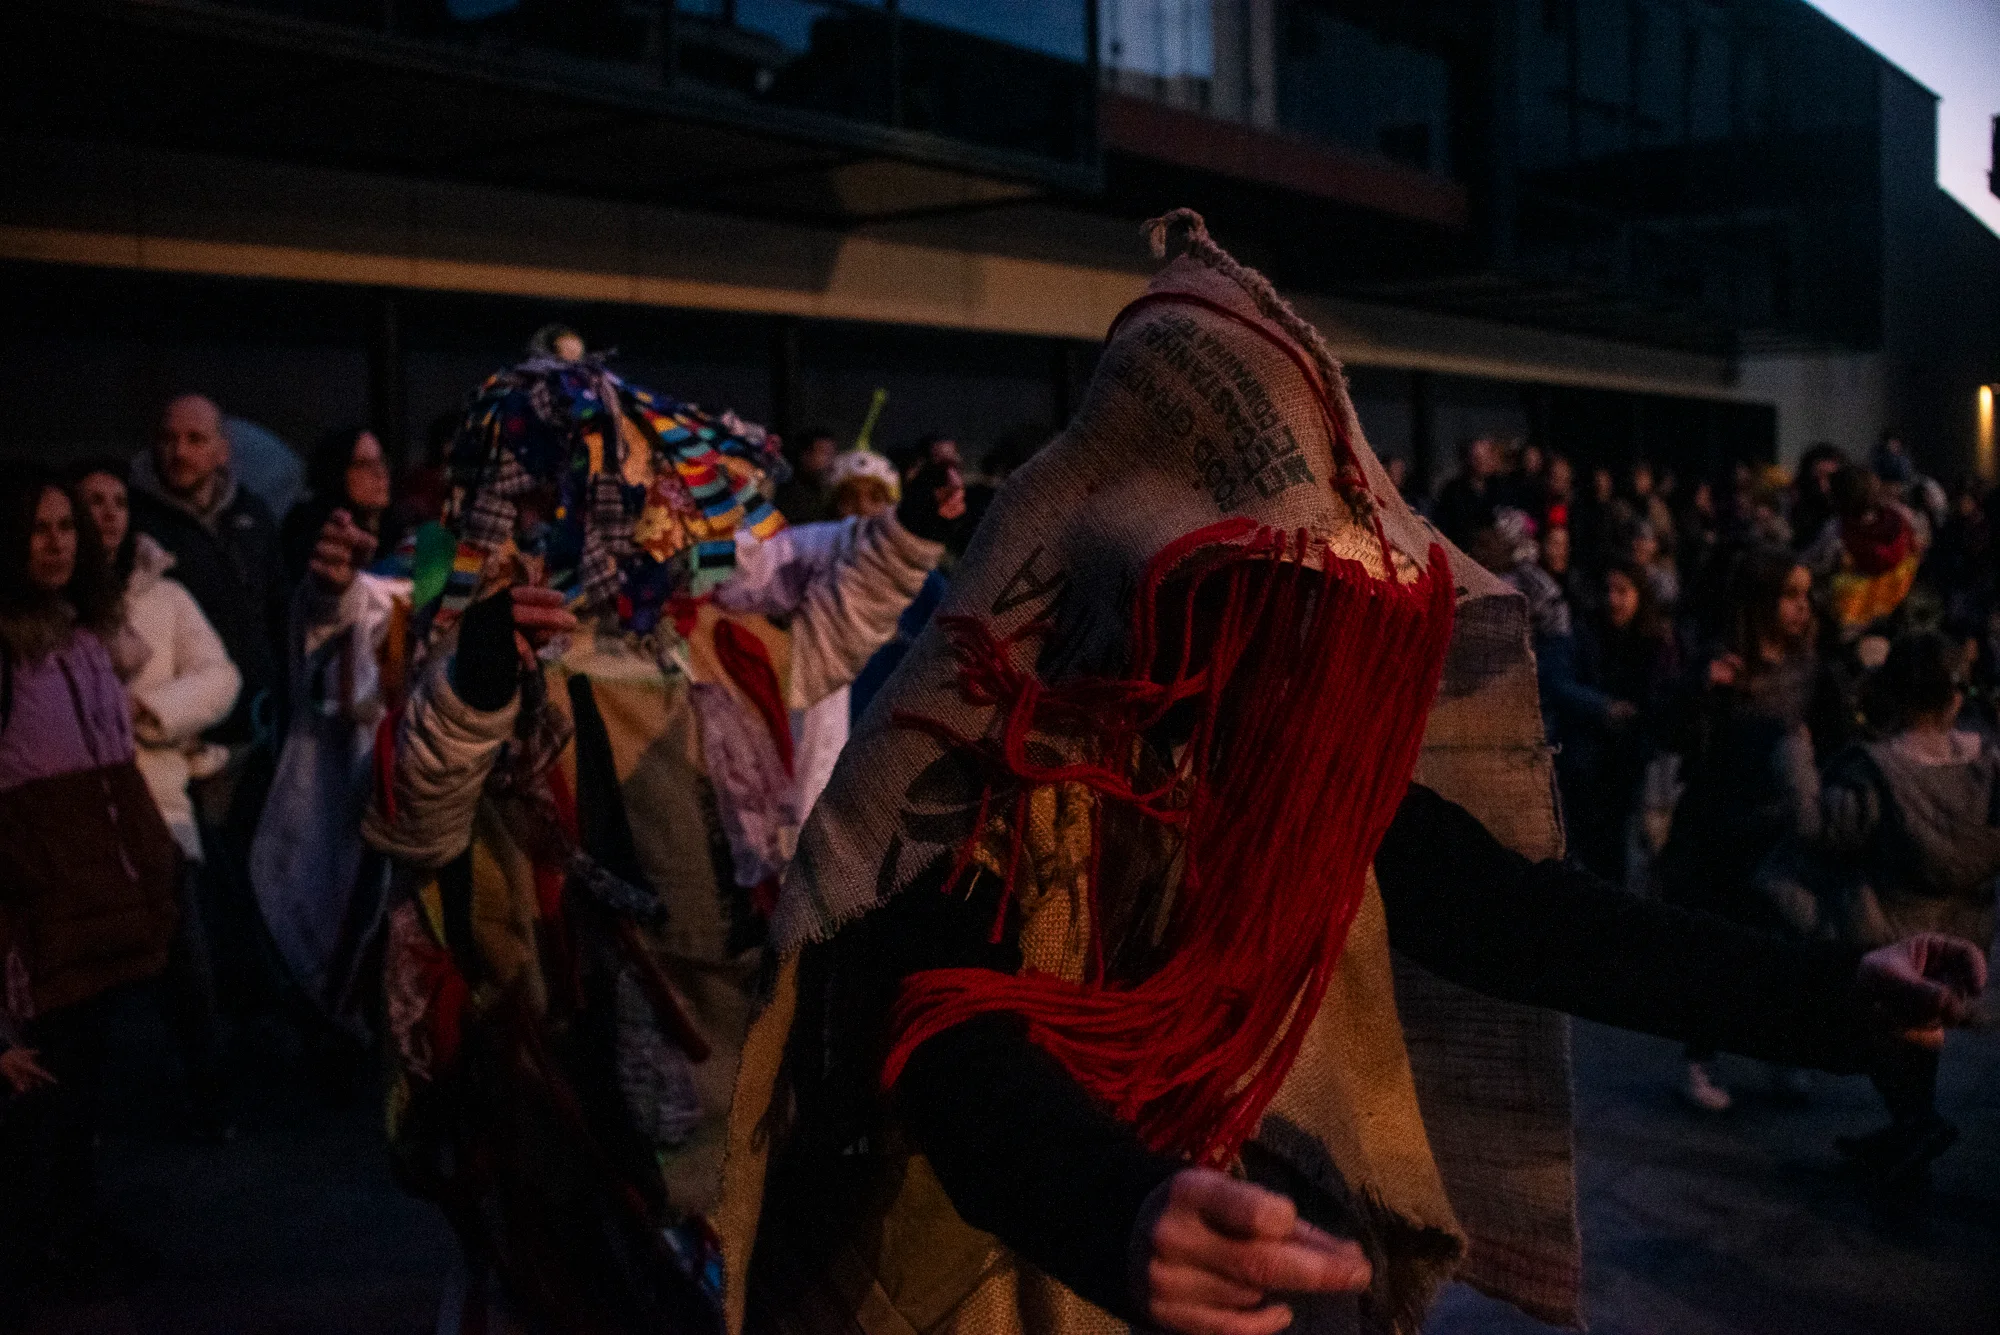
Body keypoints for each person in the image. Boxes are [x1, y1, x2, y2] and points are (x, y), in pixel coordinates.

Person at [723, 214, 1985, 1335]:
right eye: (1265, 605)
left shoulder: (1272, 762)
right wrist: (1119, 1205)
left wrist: (1833, 993)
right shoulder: (986, 770)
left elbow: (1521, 916)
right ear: (1150, 588)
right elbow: (950, 1033)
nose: (1301, 658)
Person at [364, 350, 955, 1334]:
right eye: (629, 491)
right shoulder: (498, 649)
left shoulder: (712, 639)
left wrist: (909, 537)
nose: (664, 512)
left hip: (724, 1036)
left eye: (664, 489)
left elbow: (821, 644)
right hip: (567, 1060)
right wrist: (475, 687)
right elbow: (416, 822)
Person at [0, 468, 180, 1293]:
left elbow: (114, 770)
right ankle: (39, 1245)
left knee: (81, 1091)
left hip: (97, 902)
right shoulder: (9, 651)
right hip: (40, 910)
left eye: (66, 527)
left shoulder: (85, 639)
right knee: (39, 1098)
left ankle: (71, 1230)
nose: (57, 543)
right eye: (39, 529)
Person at [1762, 632, 2000, 1190]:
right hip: (1960, 931)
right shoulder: (1988, 768)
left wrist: (1794, 754)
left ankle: (1916, 1125)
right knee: (1922, 1025)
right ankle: (1910, 1129)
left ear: (1891, 694)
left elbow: (1820, 828)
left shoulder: (1880, 771)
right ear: (1955, 699)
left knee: (1882, 1027)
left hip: (1886, 927)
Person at [71, 460, 240, 1139]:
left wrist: (151, 711)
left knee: (187, 962)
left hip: (158, 803)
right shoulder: (54, 608)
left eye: (118, 500)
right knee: (86, 973)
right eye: (93, 501)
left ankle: (210, 1096)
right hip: (79, 810)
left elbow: (219, 675)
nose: (109, 514)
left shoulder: (163, 597)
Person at [129, 393, 291, 1018]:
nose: (180, 452)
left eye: (196, 440)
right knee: (217, 896)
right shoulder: (141, 527)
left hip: (262, 730)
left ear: (223, 450)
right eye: (170, 438)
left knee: (268, 876)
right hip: (192, 743)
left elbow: (278, 608)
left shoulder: (251, 514)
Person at [1657, 549, 1831, 1111]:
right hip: (1717, 826)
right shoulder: (1722, 660)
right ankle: (1699, 1058)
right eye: (1790, 595)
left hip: (1776, 826)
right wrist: (1702, 689)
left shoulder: (1807, 666)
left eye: (1805, 595)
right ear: (1760, 602)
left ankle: (1780, 1050)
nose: (1802, 607)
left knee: (1780, 943)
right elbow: (1672, 734)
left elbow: (1831, 730)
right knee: (1717, 945)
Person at [1562, 564, 1677, 882]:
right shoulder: (1588, 631)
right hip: (1591, 755)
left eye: (1623, 591)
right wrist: (1603, 708)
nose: (1613, 600)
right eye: (1608, 590)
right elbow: (1565, 684)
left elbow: (1665, 699)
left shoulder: (1657, 642)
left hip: (1635, 757)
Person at [279, 427, 403, 586]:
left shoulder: (399, 531)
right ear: (337, 471)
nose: (380, 473)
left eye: (381, 461)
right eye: (364, 464)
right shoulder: (309, 531)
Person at [1432, 435, 1500, 547]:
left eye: (1486, 458)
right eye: (1477, 458)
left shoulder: (1498, 486)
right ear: (1468, 459)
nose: (1483, 462)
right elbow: (1451, 528)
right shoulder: (1453, 491)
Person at [773, 427, 839, 525]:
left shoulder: (823, 497)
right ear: (805, 455)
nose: (831, 462)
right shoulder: (786, 493)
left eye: (833, 455)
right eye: (825, 453)